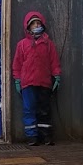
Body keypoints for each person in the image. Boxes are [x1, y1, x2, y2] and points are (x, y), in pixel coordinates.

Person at [12, 10, 61, 146]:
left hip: (44, 82)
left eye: (38, 23)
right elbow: (17, 64)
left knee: (44, 109)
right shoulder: (22, 45)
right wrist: (17, 79)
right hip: (27, 83)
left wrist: (56, 76)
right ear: (28, 27)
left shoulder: (48, 44)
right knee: (29, 109)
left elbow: (54, 62)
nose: (36, 26)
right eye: (33, 24)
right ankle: (32, 137)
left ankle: (46, 136)